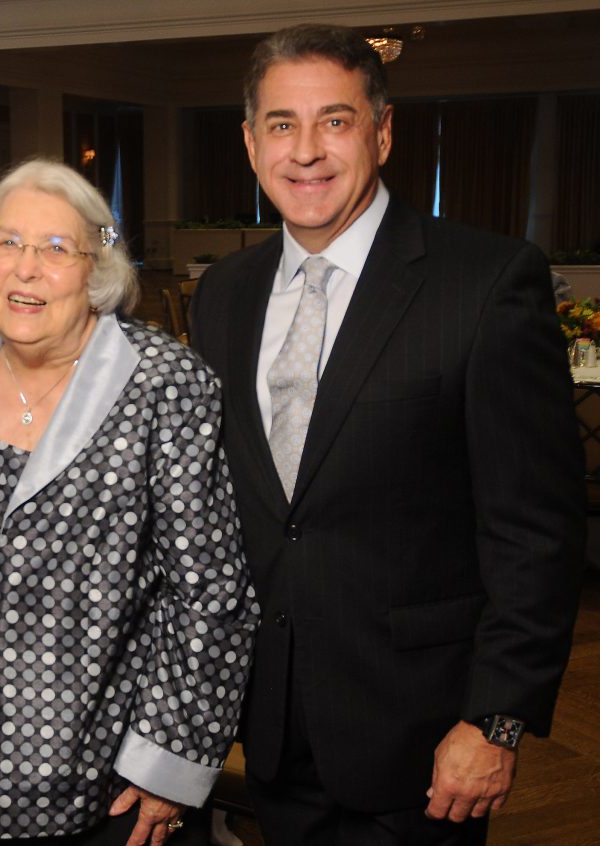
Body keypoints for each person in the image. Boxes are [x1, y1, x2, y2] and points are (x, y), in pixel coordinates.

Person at [190, 24, 584, 846]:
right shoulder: (224, 293)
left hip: (423, 738)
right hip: (273, 728)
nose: (306, 151)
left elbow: (535, 530)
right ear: (251, 142)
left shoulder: (484, 282)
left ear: (383, 132)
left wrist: (496, 719)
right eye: (282, 125)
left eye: (334, 121)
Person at [0, 158, 258, 846]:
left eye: (57, 248)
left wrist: (169, 763)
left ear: (96, 268)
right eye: (8, 242)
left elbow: (211, 594)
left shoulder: (164, 381)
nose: (26, 269)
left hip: (91, 757)